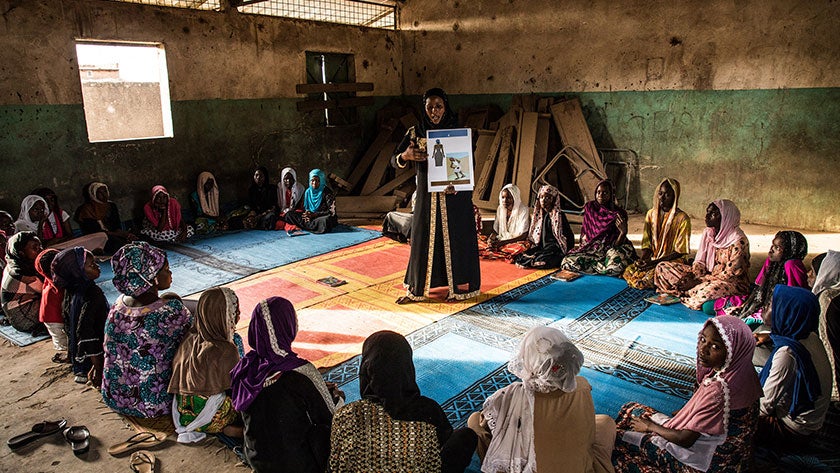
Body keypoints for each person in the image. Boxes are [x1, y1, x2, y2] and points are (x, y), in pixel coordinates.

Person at [612, 316, 762, 472]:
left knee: (617, 441)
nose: (703, 350)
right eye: (703, 340)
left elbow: (685, 439)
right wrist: (691, 412)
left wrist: (650, 426)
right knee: (632, 409)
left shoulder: (719, 390)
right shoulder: (742, 371)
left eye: (715, 347)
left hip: (708, 461)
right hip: (737, 454)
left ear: (732, 350)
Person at [467, 326, 615, 473]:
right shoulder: (581, 386)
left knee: (474, 420)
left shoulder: (510, 395)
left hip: (533, 466)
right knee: (605, 423)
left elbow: (491, 427)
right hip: (577, 466)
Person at [329, 330, 477, 473]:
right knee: (465, 436)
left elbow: (336, 462)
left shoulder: (347, 414)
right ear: (407, 367)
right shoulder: (427, 410)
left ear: (367, 369)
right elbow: (443, 443)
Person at [231, 296, 341, 472]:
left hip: (257, 460)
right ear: (287, 326)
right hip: (298, 466)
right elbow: (333, 417)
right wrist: (336, 396)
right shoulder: (303, 372)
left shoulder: (245, 368)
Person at [390, 88, 480, 304]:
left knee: (456, 239)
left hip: (453, 198)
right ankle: (417, 290)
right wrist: (406, 155)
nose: (433, 111)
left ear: (445, 106)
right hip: (426, 198)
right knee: (423, 239)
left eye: (438, 106)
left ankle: (459, 289)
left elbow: (469, 165)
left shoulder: (457, 131)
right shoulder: (415, 132)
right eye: (429, 107)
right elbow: (394, 160)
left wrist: (458, 185)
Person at [102, 242, 192, 418]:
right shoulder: (170, 311)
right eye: (166, 269)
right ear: (152, 278)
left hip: (114, 396)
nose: (171, 273)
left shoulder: (118, 305)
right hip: (152, 404)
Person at [754, 285, 832, 450]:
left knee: (730, 412)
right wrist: (770, 337)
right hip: (811, 424)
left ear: (785, 313)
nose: (764, 308)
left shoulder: (787, 353)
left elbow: (763, 408)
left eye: (770, 306)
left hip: (790, 431)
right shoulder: (810, 336)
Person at [168, 287, 244, 442]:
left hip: (181, 416)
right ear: (222, 316)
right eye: (235, 311)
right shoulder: (228, 347)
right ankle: (232, 429)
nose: (239, 315)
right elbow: (236, 388)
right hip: (209, 417)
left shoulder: (189, 338)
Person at [655, 199, 750, 311]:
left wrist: (698, 281)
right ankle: (688, 290)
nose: (707, 216)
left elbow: (730, 275)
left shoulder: (739, 242)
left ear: (726, 217)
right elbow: (700, 261)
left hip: (729, 283)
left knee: (707, 291)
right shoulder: (709, 232)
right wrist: (691, 276)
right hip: (705, 276)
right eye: (707, 212)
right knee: (662, 268)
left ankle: (683, 291)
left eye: (713, 213)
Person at [714, 231, 809, 325]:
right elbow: (759, 291)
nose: (771, 250)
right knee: (713, 305)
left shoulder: (791, 265)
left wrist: (761, 312)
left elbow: (791, 302)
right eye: (772, 245)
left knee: (745, 323)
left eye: (777, 248)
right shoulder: (772, 261)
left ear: (789, 251)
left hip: (777, 312)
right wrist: (744, 307)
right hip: (763, 304)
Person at [52, 247, 108, 387]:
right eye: (91, 265)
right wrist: (98, 367)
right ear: (77, 272)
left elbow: (70, 326)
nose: (97, 266)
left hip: (80, 356)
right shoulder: (92, 293)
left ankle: (81, 367)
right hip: (94, 354)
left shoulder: (71, 290)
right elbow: (84, 329)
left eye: (95, 262)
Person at [622, 179, 690, 289]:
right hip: (654, 259)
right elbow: (647, 242)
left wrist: (655, 263)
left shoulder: (682, 219)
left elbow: (680, 251)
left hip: (670, 262)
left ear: (675, 197)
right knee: (629, 271)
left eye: (667, 195)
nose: (662, 198)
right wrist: (644, 259)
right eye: (660, 193)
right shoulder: (651, 214)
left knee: (647, 279)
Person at [562, 179, 636, 276]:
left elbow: (616, 245)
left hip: (611, 251)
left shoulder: (618, 214)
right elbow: (585, 238)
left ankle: (598, 268)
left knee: (616, 265)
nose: (601, 195)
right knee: (566, 261)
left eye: (605, 193)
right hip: (592, 251)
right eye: (598, 192)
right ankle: (601, 268)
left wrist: (623, 233)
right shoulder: (590, 208)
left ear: (611, 195)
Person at [512, 184, 575, 270]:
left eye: (548, 198)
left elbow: (569, 237)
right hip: (542, 247)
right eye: (541, 197)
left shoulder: (559, 216)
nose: (544, 200)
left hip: (555, 248)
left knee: (543, 260)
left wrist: (567, 251)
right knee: (520, 256)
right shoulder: (540, 215)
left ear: (554, 200)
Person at [810, 251, 840, 401]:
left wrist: (834, 390)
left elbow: (827, 343)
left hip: (833, 385)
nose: (808, 275)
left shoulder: (827, 300)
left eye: (814, 273)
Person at [1, 232, 45, 334]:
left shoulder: (14, 262)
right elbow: (46, 290)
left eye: (40, 246)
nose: (41, 250)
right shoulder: (22, 273)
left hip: (18, 312)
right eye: (35, 248)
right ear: (21, 252)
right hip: (23, 318)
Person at [75, 182, 136, 254]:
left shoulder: (111, 206)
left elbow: (116, 226)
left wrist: (126, 234)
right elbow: (95, 232)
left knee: (136, 240)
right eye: (100, 193)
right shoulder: (87, 210)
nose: (104, 195)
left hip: (114, 234)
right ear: (93, 194)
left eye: (105, 191)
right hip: (97, 238)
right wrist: (121, 235)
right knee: (118, 244)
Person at [478, 183, 531, 261]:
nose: (505, 200)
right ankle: (500, 250)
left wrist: (502, 243)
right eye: (503, 197)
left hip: (516, 241)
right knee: (479, 240)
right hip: (502, 240)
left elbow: (524, 235)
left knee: (522, 247)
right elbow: (496, 231)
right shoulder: (500, 209)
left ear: (515, 198)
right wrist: (491, 239)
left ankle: (500, 251)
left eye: (509, 198)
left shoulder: (524, 210)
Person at [35, 249, 68, 363]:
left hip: (50, 319)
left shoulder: (49, 278)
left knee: (59, 339)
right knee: (66, 343)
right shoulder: (61, 285)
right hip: (57, 321)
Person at [283, 169, 338, 234]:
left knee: (325, 221)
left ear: (322, 181)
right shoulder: (308, 192)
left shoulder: (328, 193)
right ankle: (313, 226)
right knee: (289, 215)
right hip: (311, 217)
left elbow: (331, 212)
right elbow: (304, 208)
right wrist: (307, 214)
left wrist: (315, 214)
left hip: (320, 216)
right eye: (312, 180)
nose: (314, 183)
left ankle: (307, 226)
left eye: (318, 181)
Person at [248, 166, 279, 230]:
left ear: (265, 177)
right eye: (256, 175)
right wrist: (253, 215)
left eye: (261, 176)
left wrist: (261, 215)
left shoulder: (271, 189)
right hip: (256, 214)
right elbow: (251, 206)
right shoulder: (252, 190)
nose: (258, 178)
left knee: (271, 217)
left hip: (267, 213)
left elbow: (273, 207)